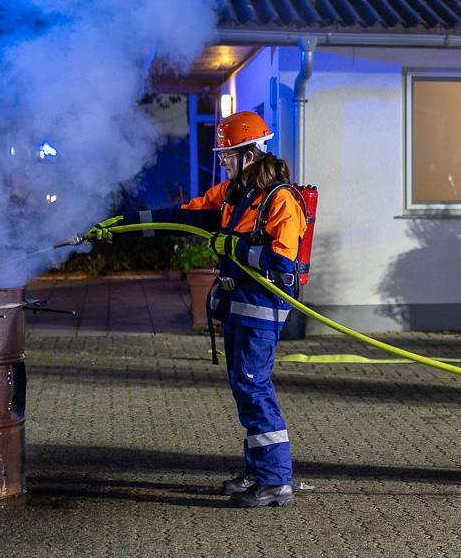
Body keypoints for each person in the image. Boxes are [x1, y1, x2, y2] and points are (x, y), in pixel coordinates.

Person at [92, 110, 306, 508]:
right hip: (239, 306)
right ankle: (259, 471)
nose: (222, 163)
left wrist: (233, 247)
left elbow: (281, 261)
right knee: (246, 389)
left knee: (254, 388)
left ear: (250, 153)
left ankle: (276, 481)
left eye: (227, 156)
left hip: (261, 308)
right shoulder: (232, 196)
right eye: (222, 156)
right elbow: (182, 215)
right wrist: (123, 224)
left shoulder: (281, 200)